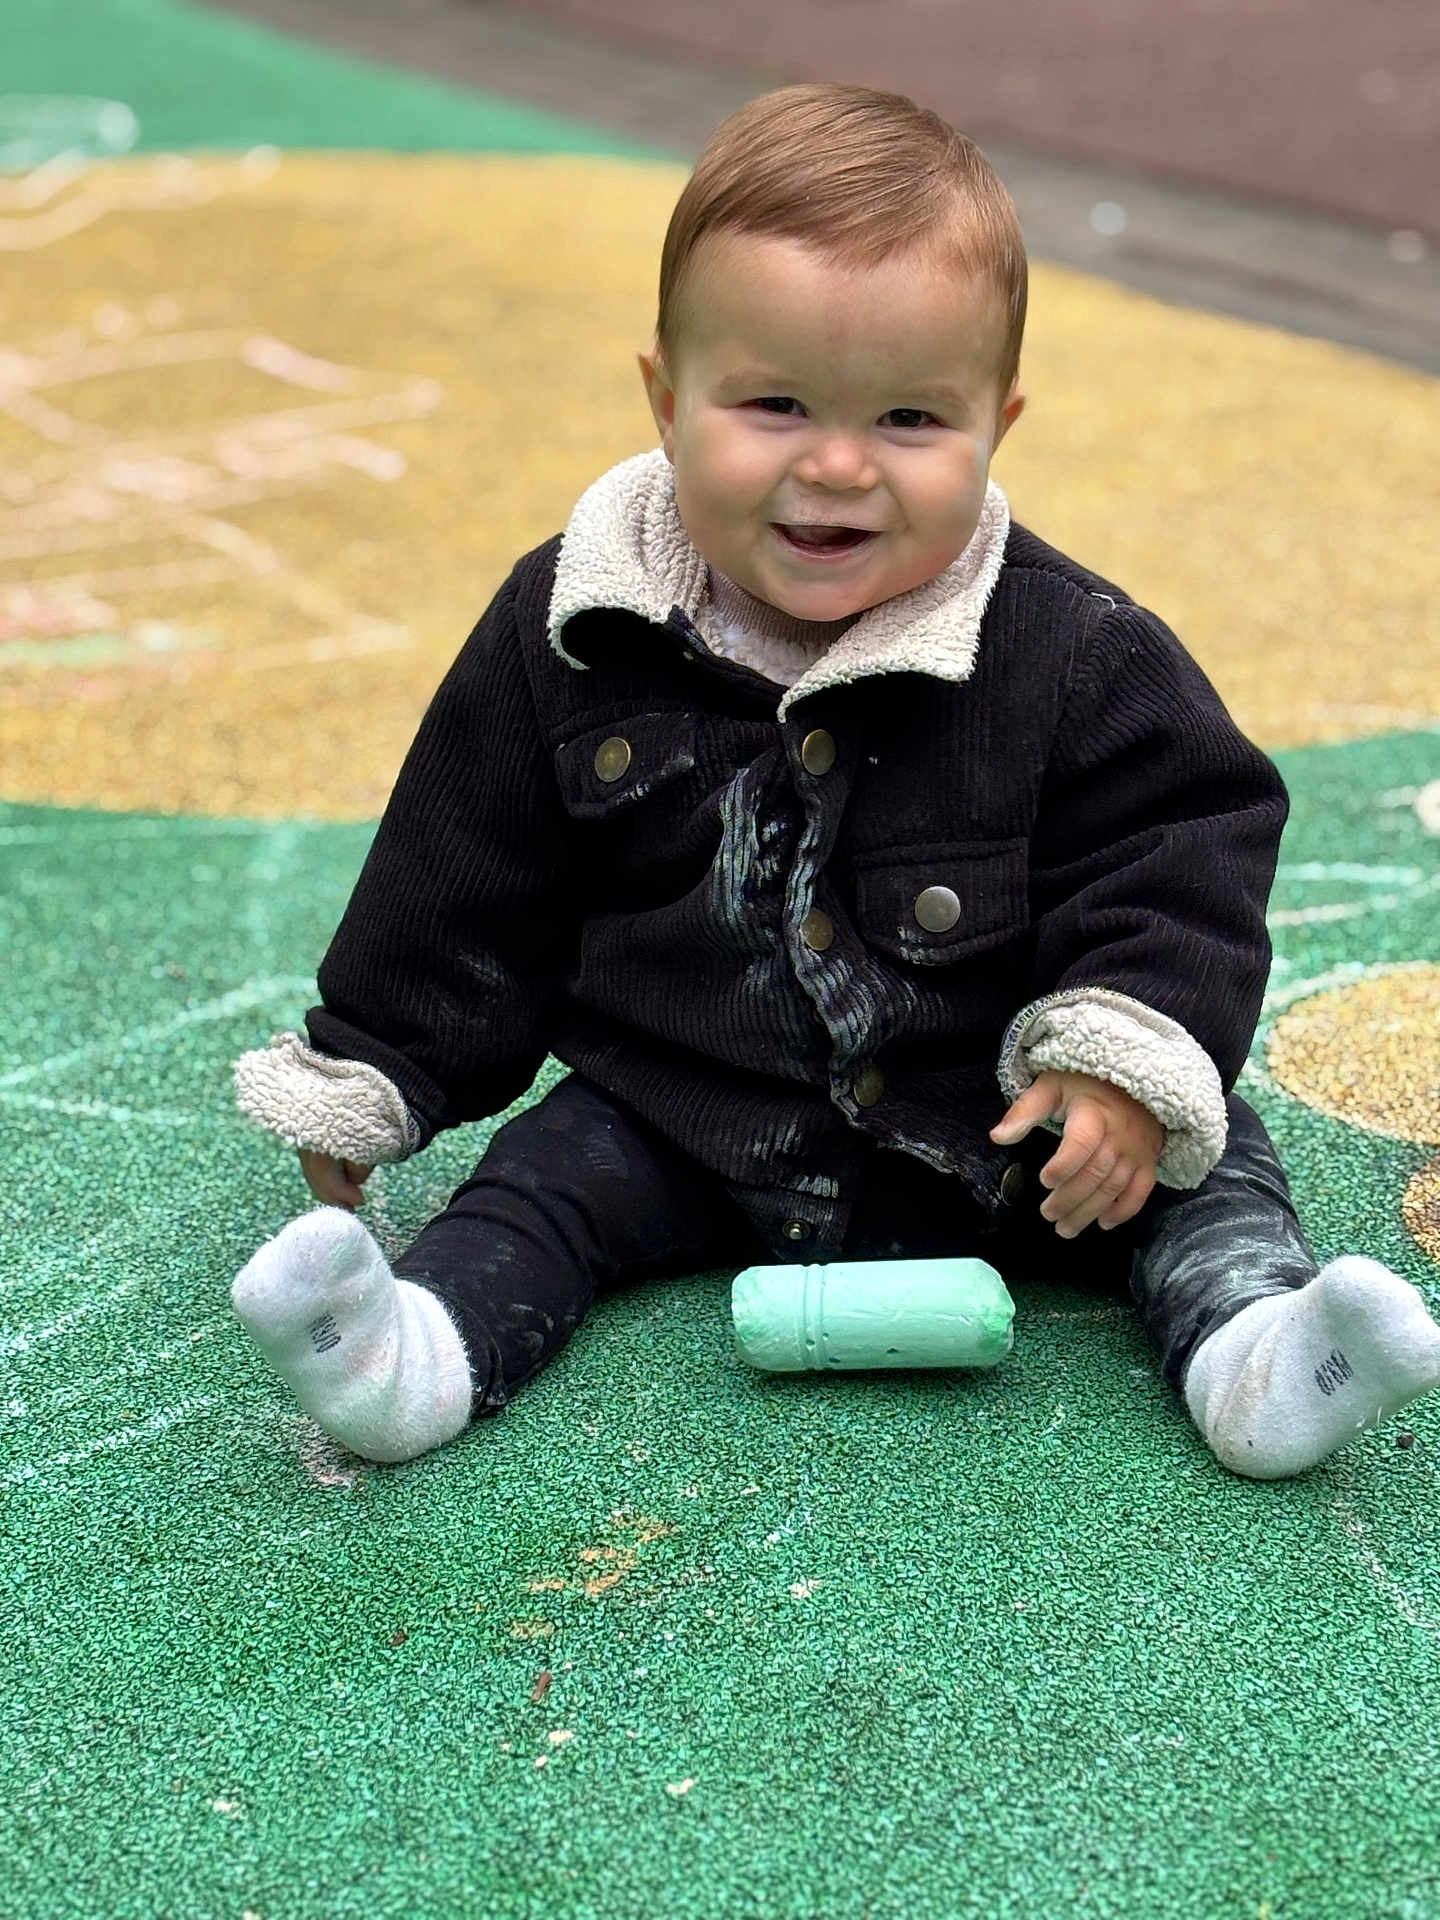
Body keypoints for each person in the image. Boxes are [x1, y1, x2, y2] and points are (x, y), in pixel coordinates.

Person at [231, 83, 1440, 1478]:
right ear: (666, 399)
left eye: (914, 419)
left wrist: (1117, 1057)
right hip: (684, 1111)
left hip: (1005, 1124)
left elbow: (1181, 843)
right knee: (545, 1187)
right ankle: (411, 1353)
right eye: (775, 403)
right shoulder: (571, 627)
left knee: (1203, 1165)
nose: (839, 466)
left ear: (1002, 423)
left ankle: (1258, 1352)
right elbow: (466, 859)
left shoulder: (1071, 649)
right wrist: (378, 1066)